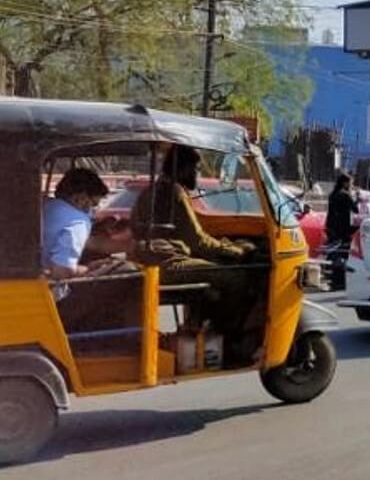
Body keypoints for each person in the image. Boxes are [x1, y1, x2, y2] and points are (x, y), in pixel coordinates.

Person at [130, 145, 260, 364]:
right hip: (169, 263)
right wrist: (238, 250)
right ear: (183, 168)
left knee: (215, 271)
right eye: (196, 169)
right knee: (236, 278)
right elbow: (198, 241)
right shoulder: (175, 192)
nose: (198, 175)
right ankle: (226, 337)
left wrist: (225, 246)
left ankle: (204, 323)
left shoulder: (149, 191)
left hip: (152, 260)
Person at [42, 168, 114, 280]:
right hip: (47, 292)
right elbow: (61, 272)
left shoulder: (43, 205)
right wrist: (88, 269)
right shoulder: (78, 221)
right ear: (81, 197)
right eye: (94, 204)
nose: (93, 210)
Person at [325, 173, 358, 245]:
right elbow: (356, 209)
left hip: (330, 225)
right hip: (342, 228)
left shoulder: (332, 194)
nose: (351, 185)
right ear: (345, 183)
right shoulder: (345, 194)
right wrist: (357, 199)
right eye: (350, 183)